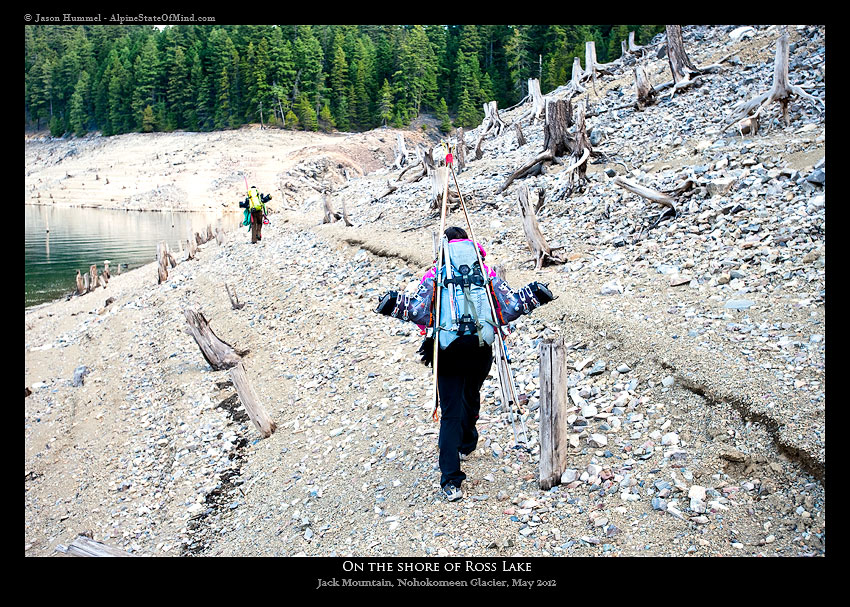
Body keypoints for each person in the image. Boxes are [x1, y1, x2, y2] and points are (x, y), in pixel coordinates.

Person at [375, 226, 555, 502]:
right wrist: (535, 295)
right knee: (471, 394)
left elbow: (419, 311)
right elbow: (508, 308)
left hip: (447, 352)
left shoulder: (436, 275)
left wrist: (392, 305)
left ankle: (451, 481)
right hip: (480, 350)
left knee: (450, 413)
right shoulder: (485, 273)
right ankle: (468, 442)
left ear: (444, 247)